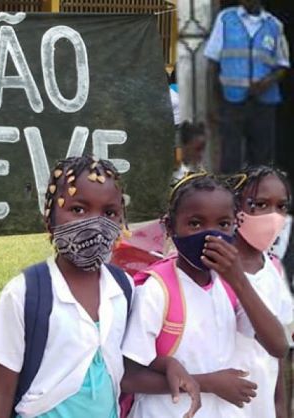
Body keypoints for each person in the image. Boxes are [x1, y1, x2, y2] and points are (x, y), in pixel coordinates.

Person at [0, 156, 198, 418]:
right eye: (79, 210)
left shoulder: (123, 287)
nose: (95, 224)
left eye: (109, 213)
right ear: (50, 219)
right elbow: (1, 392)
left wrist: (168, 364)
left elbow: (127, 362)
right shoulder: (25, 292)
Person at [122, 172, 289, 417]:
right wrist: (208, 382)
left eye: (222, 224)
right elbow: (129, 376)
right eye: (196, 224)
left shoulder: (229, 285)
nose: (210, 235)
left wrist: (239, 280)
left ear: (235, 225)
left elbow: (278, 346)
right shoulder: (157, 290)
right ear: (170, 226)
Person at [230, 165, 293, 418]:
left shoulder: (273, 270)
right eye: (260, 204)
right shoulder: (212, 269)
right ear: (236, 207)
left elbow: (279, 356)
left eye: (282, 206)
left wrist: (282, 410)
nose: (274, 216)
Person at [204, 0, 291, 173]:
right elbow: (212, 63)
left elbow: (283, 65)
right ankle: (229, 197)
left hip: (264, 103)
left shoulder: (274, 25)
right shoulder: (226, 18)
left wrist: (268, 81)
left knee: (262, 158)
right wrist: (212, 101)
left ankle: (257, 197)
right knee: (230, 156)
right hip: (231, 100)